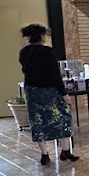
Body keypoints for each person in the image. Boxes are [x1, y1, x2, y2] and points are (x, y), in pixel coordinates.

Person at [19, 25, 79, 165]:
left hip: (32, 91)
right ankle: (65, 150)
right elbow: (55, 75)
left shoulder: (24, 52)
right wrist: (64, 94)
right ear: (41, 36)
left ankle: (44, 154)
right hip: (50, 91)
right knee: (63, 118)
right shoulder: (48, 52)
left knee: (37, 121)